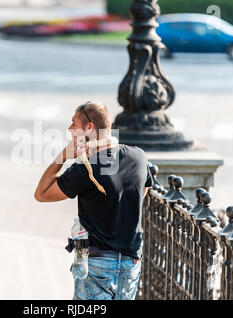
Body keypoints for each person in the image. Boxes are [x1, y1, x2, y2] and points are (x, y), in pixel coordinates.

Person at [34, 101, 153, 300]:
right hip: (131, 263)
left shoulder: (85, 170)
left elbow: (42, 194)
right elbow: (145, 188)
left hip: (98, 265)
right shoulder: (138, 156)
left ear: (89, 128)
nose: (69, 129)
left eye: (74, 124)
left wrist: (64, 155)